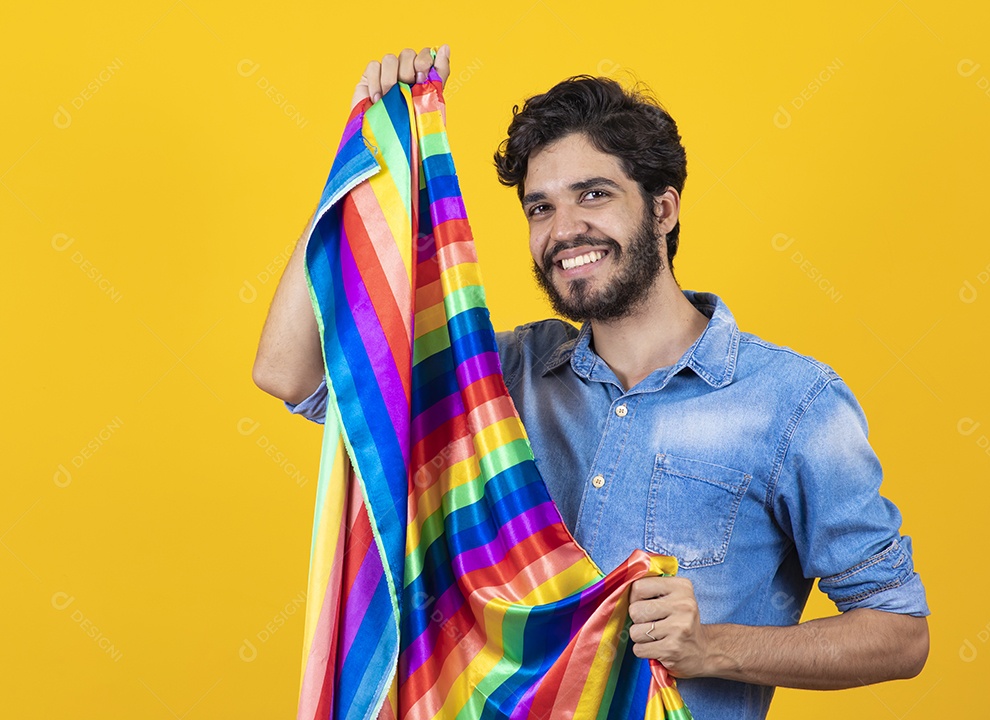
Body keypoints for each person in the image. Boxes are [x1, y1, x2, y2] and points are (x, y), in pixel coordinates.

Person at [252, 46, 930, 720]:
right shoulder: (499, 382)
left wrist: (711, 649)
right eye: (539, 208)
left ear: (663, 211)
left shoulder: (793, 401)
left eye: (594, 195)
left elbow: (900, 633)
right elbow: (290, 371)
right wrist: (367, 156)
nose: (564, 229)